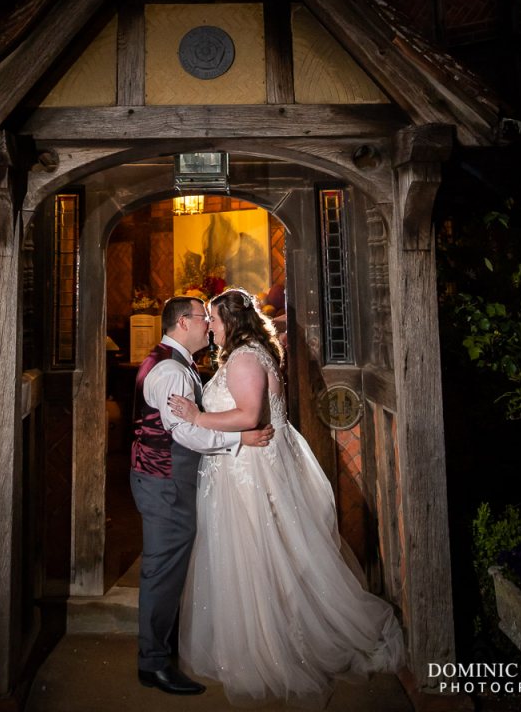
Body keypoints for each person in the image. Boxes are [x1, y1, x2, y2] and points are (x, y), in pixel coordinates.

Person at [168, 288, 406, 709]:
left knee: (258, 553)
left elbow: (246, 414)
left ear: (233, 322)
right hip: (246, 464)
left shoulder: (244, 359)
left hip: (250, 473)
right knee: (263, 553)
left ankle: (270, 645)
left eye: (216, 320)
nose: (211, 326)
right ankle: (260, 633)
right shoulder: (249, 354)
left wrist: (197, 415)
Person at [130, 294, 274, 697]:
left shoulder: (174, 364)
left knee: (171, 567)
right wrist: (239, 439)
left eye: (211, 318)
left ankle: (161, 648)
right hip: (164, 481)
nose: (208, 324)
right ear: (182, 323)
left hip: (164, 478)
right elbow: (186, 432)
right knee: (161, 570)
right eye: (202, 317)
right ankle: (153, 663)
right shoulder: (170, 372)